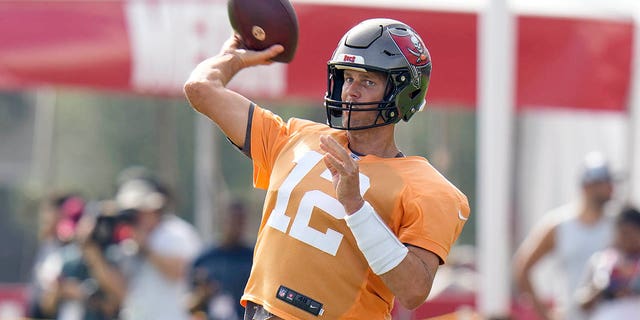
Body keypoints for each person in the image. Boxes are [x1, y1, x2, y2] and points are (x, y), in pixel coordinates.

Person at [184, 18, 470, 319]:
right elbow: (200, 89)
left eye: (368, 82)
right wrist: (232, 60)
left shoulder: (427, 188)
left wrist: (356, 207)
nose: (351, 91)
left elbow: (413, 291)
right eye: (348, 78)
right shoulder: (295, 138)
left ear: (401, 95)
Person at [81, 172, 203, 320]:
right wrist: (93, 253)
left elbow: (180, 272)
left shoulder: (175, 232)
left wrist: (145, 247)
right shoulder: (128, 242)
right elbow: (122, 293)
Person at [513, 152, 616, 320]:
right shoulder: (559, 225)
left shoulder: (619, 226)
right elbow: (522, 267)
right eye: (605, 183)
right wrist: (544, 313)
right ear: (588, 186)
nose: (611, 189)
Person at [187, 201, 254, 320]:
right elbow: (189, 304)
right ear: (222, 220)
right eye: (233, 221)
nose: (236, 227)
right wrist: (203, 294)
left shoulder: (253, 259)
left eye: (240, 221)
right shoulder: (205, 259)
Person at [575, 206, 640, 320]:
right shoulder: (600, 262)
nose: (629, 238)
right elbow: (582, 304)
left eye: (633, 233)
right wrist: (602, 286)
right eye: (624, 233)